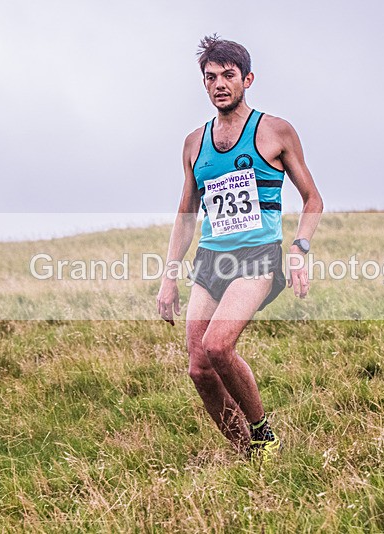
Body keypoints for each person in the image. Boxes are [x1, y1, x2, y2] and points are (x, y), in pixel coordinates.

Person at [156, 35, 323, 463]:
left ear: (247, 79)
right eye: (210, 77)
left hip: (257, 257)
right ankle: (249, 455)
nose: (219, 84)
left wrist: (299, 248)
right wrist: (169, 277)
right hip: (210, 260)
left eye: (228, 75)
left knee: (218, 346)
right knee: (199, 367)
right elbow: (186, 213)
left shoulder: (275, 131)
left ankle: (263, 434)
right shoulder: (194, 143)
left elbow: (312, 200)